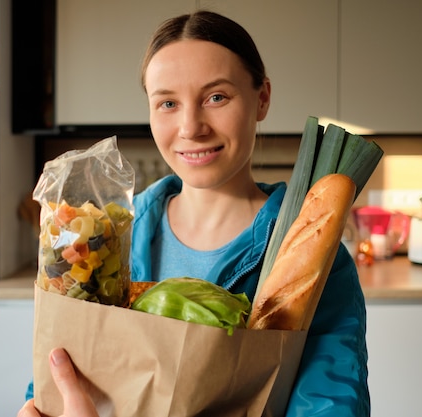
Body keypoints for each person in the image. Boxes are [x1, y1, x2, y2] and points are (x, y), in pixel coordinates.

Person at [19, 10, 369, 417]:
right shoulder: (108, 241)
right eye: (167, 103)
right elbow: (60, 368)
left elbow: (331, 404)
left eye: (216, 97)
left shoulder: (314, 259)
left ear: (262, 99)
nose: (191, 127)